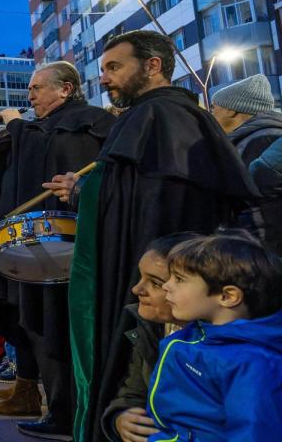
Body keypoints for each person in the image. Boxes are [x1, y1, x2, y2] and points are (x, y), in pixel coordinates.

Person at [42, 31, 258, 441]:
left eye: (114, 67)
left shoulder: (160, 116)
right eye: (102, 69)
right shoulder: (162, 116)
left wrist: (86, 191)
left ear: (153, 66)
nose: (104, 79)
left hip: (148, 280)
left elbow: (146, 204)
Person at [0, 61, 115, 437]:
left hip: (68, 251)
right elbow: (12, 171)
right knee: (32, 323)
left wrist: (15, 125)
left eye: (37, 88)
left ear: (66, 89)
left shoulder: (87, 122)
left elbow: (45, 157)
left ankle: (66, 409)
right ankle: (41, 396)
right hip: (32, 249)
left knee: (58, 328)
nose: (30, 95)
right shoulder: (37, 127)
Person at [144, 232, 282, 441]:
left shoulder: (253, 363)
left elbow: (254, 433)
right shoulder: (196, 335)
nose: (166, 286)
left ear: (227, 296)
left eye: (179, 279)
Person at [97, 234, 191, 442]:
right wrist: (120, 418)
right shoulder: (151, 328)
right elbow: (133, 393)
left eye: (156, 283)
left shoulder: (223, 350)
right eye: (141, 277)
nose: (137, 289)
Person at [210, 74, 282, 253]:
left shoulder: (264, 139)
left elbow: (255, 202)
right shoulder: (252, 138)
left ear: (231, 110)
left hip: (262, 248)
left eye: (214, 107)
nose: (210, 113)